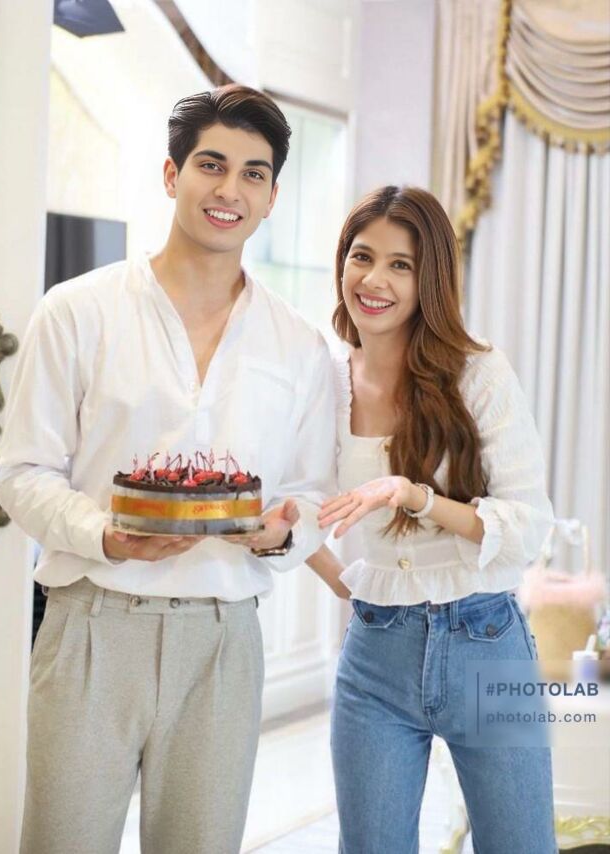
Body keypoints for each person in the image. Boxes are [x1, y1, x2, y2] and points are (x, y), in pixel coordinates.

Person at [0, 85, 336, 854]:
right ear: (172, 174)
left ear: (272, 197)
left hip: (223, 639)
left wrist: (282, 533)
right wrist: (106, 535)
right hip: (92, 626)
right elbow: (21, 472)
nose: (229, 189)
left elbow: (312, 493)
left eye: (253, 174)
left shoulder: (299, 345)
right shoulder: (77, 311)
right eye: (211, 165)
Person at [306, 186, 557, 853]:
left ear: (430, 280)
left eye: (401, 265)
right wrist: (340, 578)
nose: (374, 280)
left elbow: (529, 524)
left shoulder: (478, 372)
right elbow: (300, 504)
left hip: (485, 644)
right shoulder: (326, 379)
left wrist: (417, 498)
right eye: (362, 257)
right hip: (375, 654)